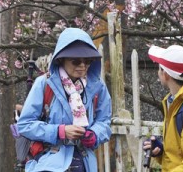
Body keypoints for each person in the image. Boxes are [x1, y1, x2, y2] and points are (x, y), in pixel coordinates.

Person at [16, 27, 112, 172]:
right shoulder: (44, 83)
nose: (82, 66)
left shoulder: (97, 86)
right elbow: (25, 124)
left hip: (84, 163)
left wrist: (94, 135)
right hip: (48, 163)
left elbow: (104, 122)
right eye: (76, 61)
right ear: (61, 59)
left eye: (87, 61)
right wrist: (60, 131)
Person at [142, 44, 183, 171]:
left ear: (165, 74)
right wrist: (161, 151)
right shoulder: (174, 101)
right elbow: (178, 153)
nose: (157, 72)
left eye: (159, 69)